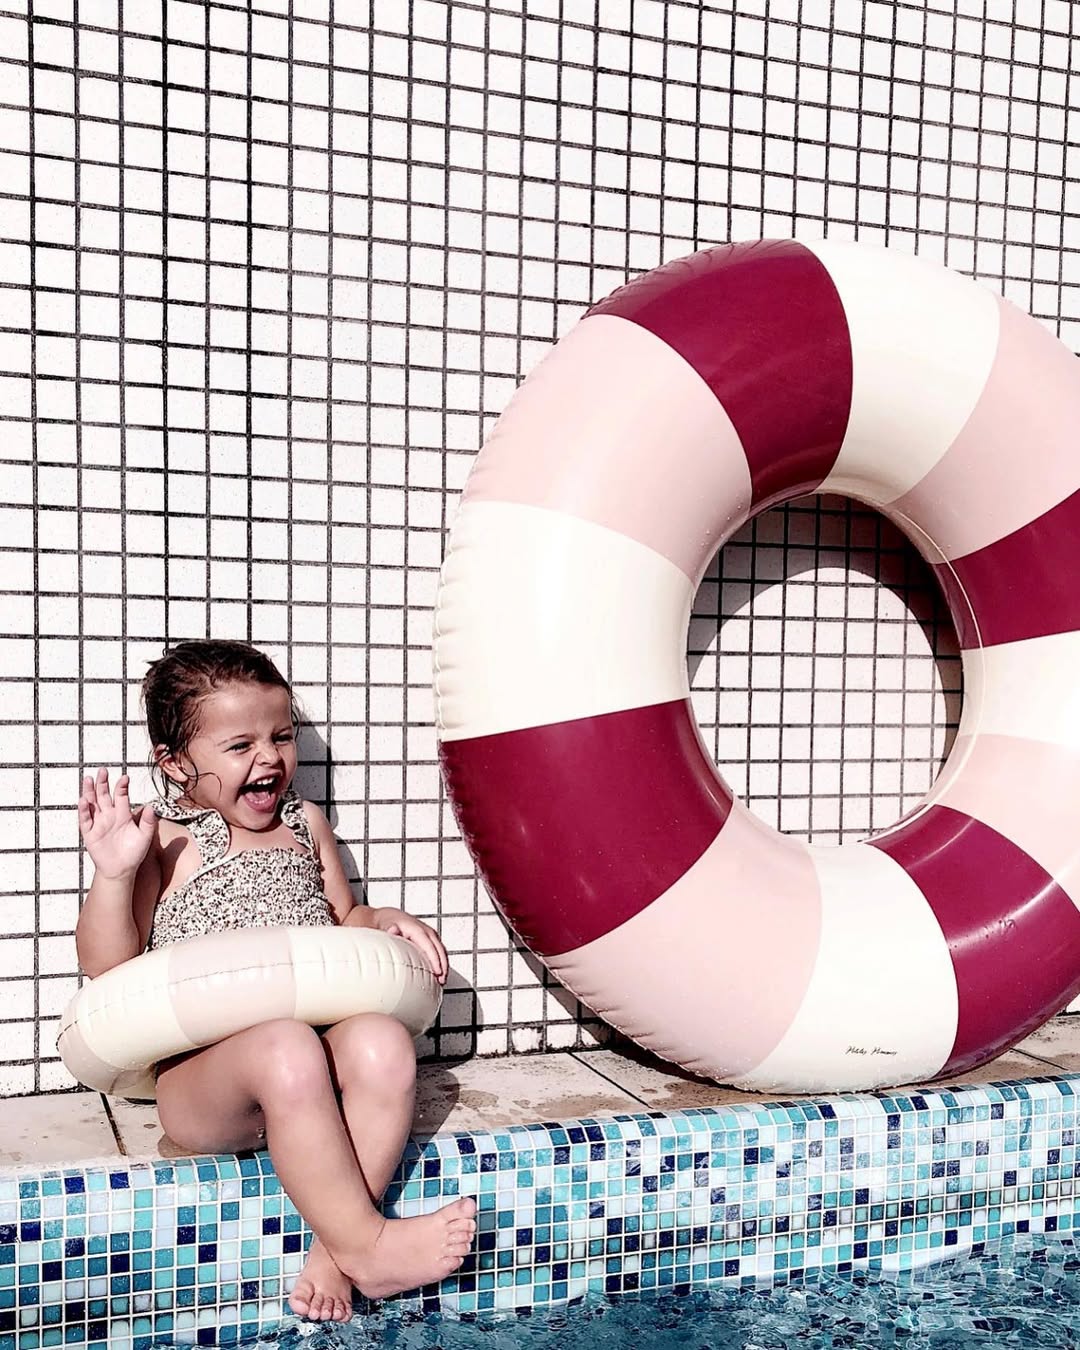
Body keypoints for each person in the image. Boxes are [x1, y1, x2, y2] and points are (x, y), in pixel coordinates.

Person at [74, 638, 476, 1324]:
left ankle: (336, 1256)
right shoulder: (168, 842)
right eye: (240, 746)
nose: (269, 758)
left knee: (382, 1042)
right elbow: (107, 967)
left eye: (281, 736)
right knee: (285, 1043)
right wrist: (114, 874)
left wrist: (384, 919)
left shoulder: (305, 825)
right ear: (174, 764)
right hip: (207, 1085)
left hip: (310, 1070)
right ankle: (370, 1244)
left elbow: (344, 918)